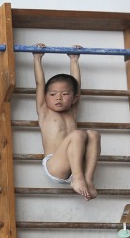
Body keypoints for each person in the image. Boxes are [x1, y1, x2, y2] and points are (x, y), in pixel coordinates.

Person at [33, 43, 100, 200]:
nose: (58, 97)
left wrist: (74, 60)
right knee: (77, 134)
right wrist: (37, 59)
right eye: (53, 94)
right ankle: (77, 178)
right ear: (45, 97)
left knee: (93, 134)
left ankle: (88, 179)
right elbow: (39, 84)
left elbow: (77, 85)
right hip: (55, 165)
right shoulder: (44, 110)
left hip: (75, 163)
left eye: (64, 94)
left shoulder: (72, 110)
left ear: (74, 98)